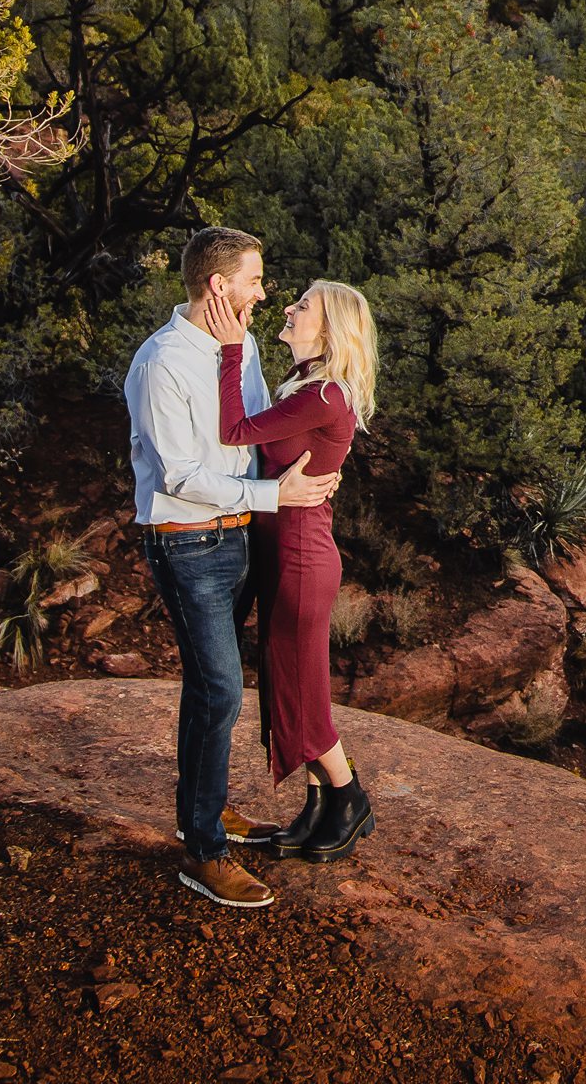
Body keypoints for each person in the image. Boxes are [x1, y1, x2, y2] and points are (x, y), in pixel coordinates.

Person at [126, 226, 341, 910]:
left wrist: (312, 460)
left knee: (213, 686)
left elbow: (246, 429)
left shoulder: (239, 346)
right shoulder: (160, 364)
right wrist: (276, 494)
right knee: (219, 686)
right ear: (220, 286)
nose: (263, 291)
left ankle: (207, 808)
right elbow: (182, 474)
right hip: (187, 542)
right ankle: (204, 852)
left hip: (239, 537)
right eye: (255, 279)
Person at [220, 278, 379, 862]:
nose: (288, 307)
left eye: (303, 304)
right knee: (290, 682)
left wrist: (233, 347)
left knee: (301, 689)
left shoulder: (324, 396)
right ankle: (318, 809)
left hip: (302, 558)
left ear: (329, 329)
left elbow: (233, 432)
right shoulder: (304, 386)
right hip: (285, 553)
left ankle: (349, 796)